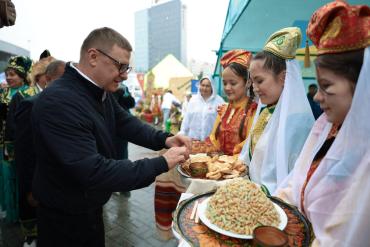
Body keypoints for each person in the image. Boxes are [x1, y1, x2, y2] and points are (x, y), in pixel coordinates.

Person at [31, 27, 190, 247]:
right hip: (65, 216)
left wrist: (164, 139)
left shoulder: (97, 90)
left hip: (90, 207)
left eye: (127, 67)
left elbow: (124, 121)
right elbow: (93, 170)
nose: (125, 74)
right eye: (120, 66)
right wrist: (161, 163)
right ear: (93, 57)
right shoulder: (59, 102)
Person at [275, 2, 370, 245]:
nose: (317, 96)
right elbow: (296, 182)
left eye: (326, 86)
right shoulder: (325, 127)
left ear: (362, 87)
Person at [239, 27, 315, 193]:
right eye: (252, 82)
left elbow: (296, 178)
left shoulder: (298, 122)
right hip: (253, 195)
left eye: (259, 81)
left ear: (283, 78)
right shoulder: (267, 112)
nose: (255, 88)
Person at [15, 59, 66, 247]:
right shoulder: (28, 102)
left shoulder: (66, 100)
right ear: (46, 78)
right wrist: (29, 188)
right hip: (38, 178)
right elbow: (25, 152)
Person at [0, 55, 32, 223]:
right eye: (7, 74)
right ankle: (7, 209)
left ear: (23, 76)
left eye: (13, 74)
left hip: (18, 145)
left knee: (17, 177)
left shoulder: (28, 93)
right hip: (2, 144)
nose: (9, 77)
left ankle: (19, 214)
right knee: (5, 176)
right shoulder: (3, 91)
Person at [207, 49, 257, 155]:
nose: (227, 88)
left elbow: (250, 144)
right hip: (219, 167)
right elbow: (214, 139)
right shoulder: (223, 110)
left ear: (248, 83)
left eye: (233, 83)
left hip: (241, 169)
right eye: (225, 83)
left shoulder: (253, 111)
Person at [179, 76, 224, 141]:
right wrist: (182, 134)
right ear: (199, 86)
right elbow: (186, 120)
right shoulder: (193, 100)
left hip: (211, 142)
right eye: (203, 85)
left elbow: (222, 122)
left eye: (207, 86)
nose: (204, 88)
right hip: (193, 140)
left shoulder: (219, 101)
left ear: (212, 87)